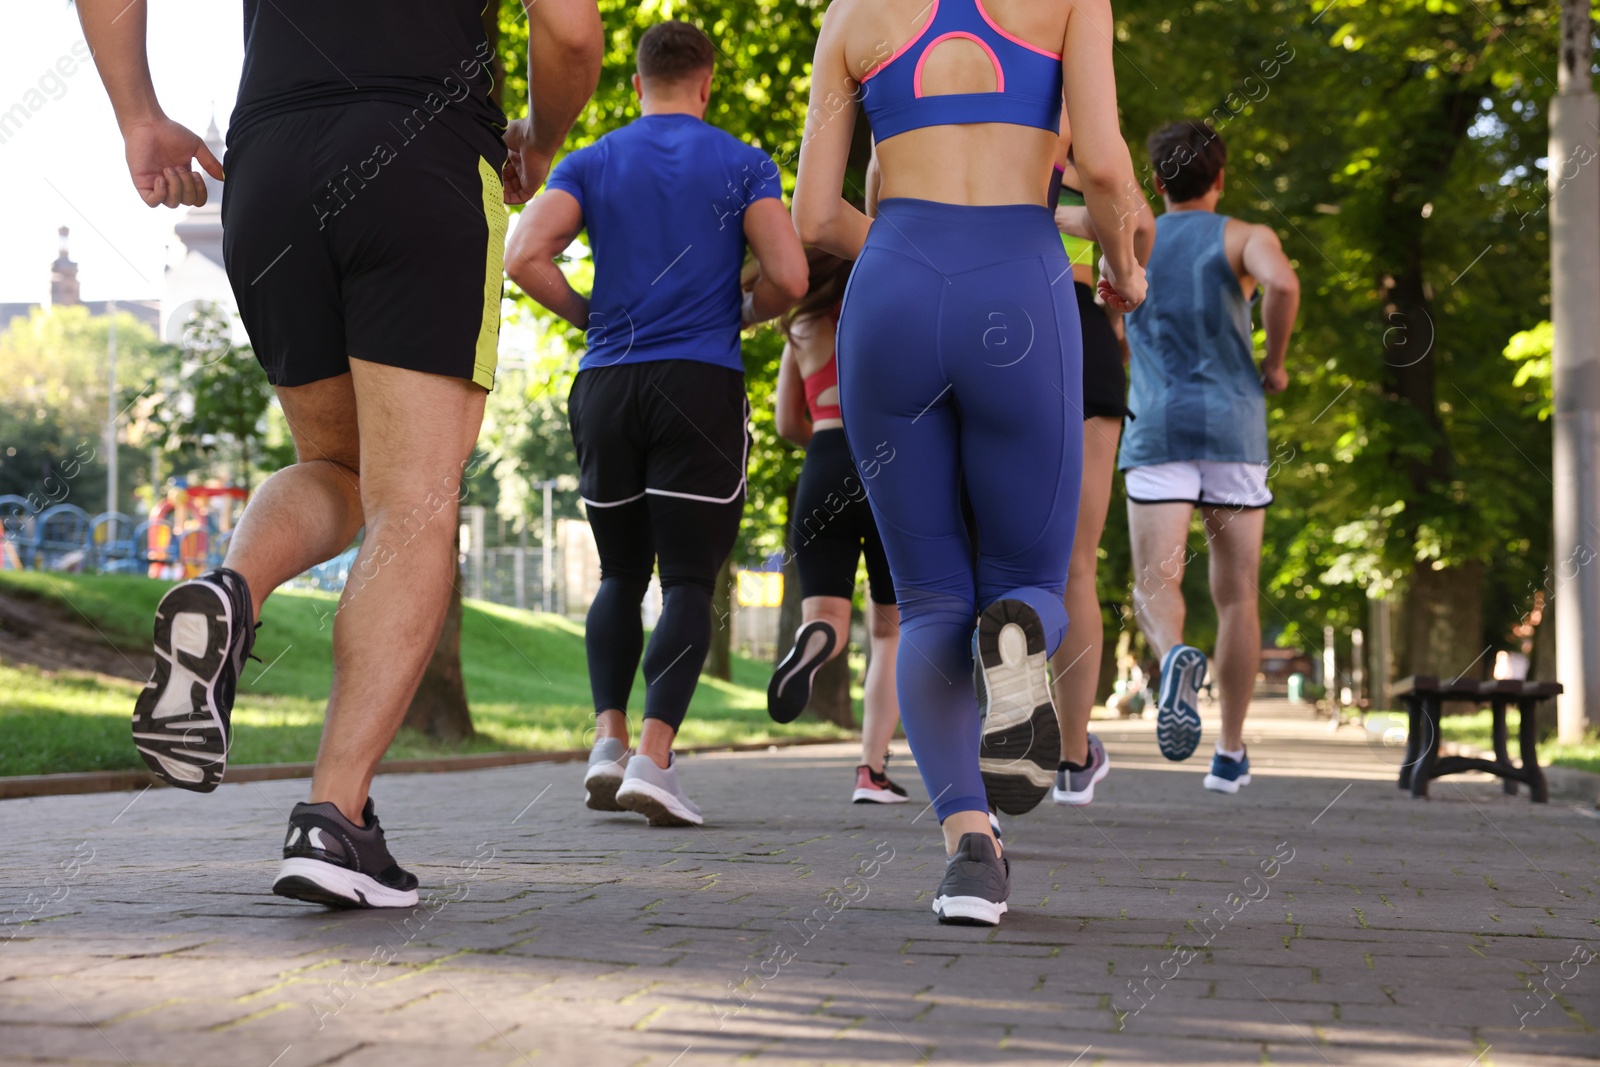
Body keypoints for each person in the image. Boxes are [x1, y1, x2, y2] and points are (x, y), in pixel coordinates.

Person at [79, 0, 603, 908]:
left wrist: (139, 113)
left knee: (345, 468)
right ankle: (333, 815)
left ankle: (231, 594)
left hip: (270, 162)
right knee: (414, 501)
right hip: (422, 145)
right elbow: (569, 32)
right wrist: (539, 137)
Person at [794, 0, 1146, 925]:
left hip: (892, 299)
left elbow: (815, 212)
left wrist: (917, 259)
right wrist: (1122, 266)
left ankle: (970, 855)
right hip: (1019, 289)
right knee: (1031, 574)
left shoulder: (850, 16)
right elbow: (1104, 163)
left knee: (928, 600)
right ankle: (1018, 637)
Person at [506, 21, 809, 828]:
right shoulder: (743, 163)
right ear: (706, 85)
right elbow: (790, 274)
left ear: (636, 84)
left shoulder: (593, 158)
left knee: (618, 575)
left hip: (607, 382)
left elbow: (524, 254)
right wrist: (741, 311)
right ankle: (654, 756)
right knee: (686, 581)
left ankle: (606, 742)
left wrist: (589, 315)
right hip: (698, 383)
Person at [1119, 120, 1300, 792]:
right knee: (1237, 596)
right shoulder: (1247, 237)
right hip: (1234, 432)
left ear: (1159, 183)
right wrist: (1273, 364)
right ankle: (1229, 750)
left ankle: (1173, 661)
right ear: (1220, 178)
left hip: (1157, 428)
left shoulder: (1136, 237)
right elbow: (1282, 285)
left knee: (1155, 583)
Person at [769, 248, 910, 805]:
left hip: (822, 461)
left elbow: (786, 422)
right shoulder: (886, 310)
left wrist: (828, 455)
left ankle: (815, 640)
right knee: (889, 632)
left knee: (825, 614)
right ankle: (870, 771)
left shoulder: (799, 323)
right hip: (885, 463)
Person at [1045, 118, 1155, 807]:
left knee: (992, 546)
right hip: (1077, 326)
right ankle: (1069, 755)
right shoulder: (1076, 121)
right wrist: (1121, 271)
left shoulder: (950, 85)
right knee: (1076, 564)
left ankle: (990, 719)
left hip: (980, 324)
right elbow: (1134, 220)